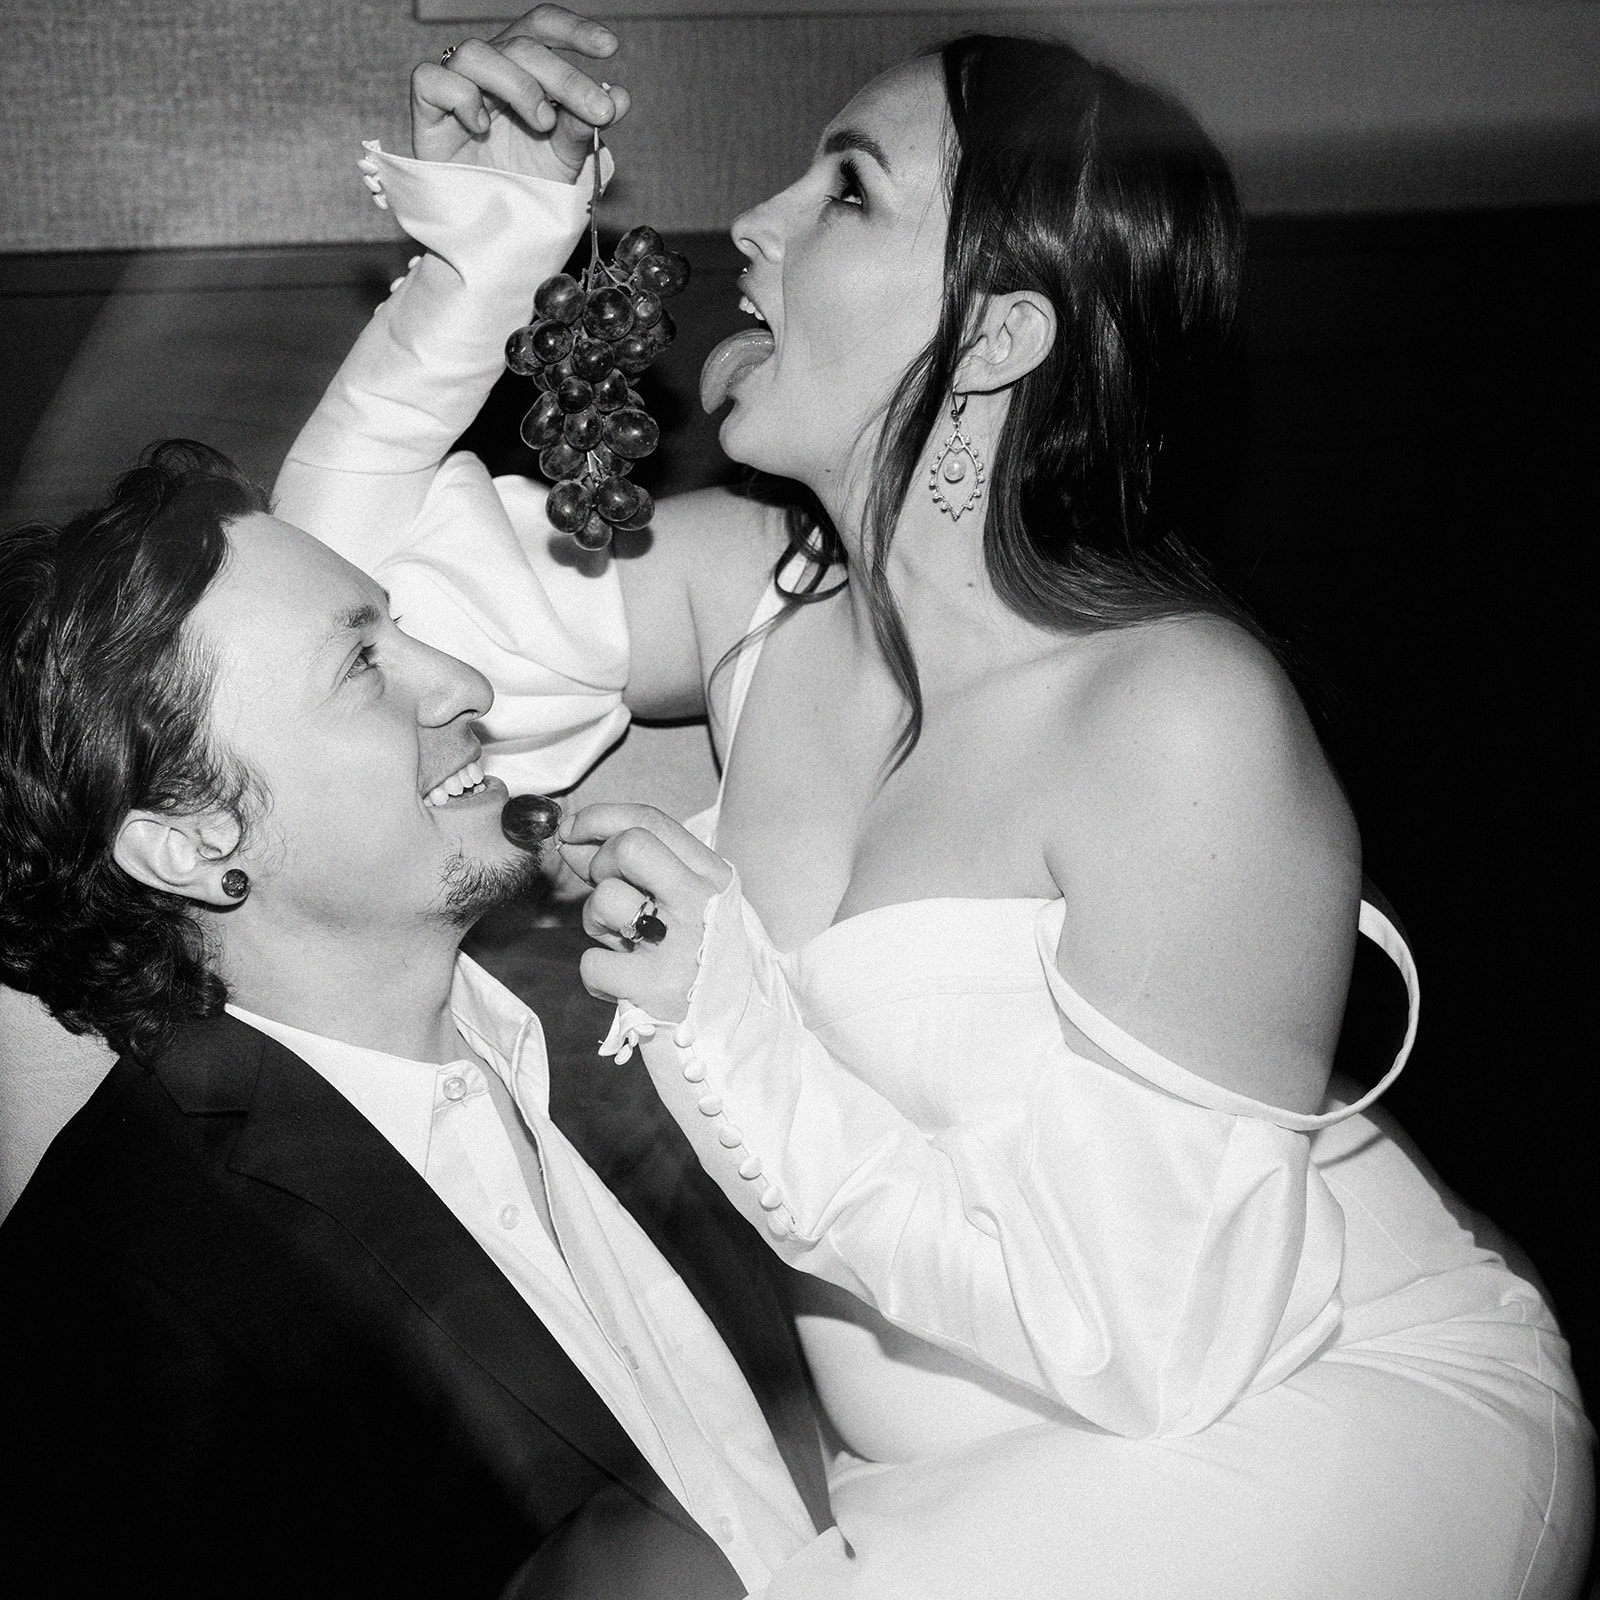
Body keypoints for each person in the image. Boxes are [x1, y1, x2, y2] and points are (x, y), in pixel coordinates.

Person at [277, 7, 1594, 1596]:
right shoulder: (750, 600)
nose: (750, 226)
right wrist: (483, 256)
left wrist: (732, 1023)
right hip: (954, 1479)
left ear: (999, 338)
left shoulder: (1173, 713)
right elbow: (347, 625)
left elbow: (1160, 1343)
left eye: (844, 191)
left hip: (1280, 1417)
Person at [0, 31, 836, 1584]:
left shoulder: (620, 991)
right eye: (362, 660)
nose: (457, 671)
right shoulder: (116, 1298)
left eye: (405, 620)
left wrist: (487, 265)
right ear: (192, 842)